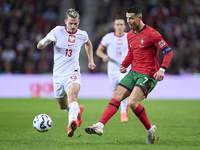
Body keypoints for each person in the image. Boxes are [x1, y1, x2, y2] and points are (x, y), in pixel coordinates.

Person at [85, 6, 173, 144]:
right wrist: (124, 65)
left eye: (131, 18)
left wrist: (162, 69)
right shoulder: (130, 35)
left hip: (148, 74)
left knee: (132, 102)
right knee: (116, 96)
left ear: (139, 18)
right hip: (133, 72)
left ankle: (150, 130)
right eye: (127, 18)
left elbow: (168, 52)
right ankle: (99, 125)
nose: (128, 21)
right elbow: (131, 53)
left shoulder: (152, 34)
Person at [37, 8, 96, 137]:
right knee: (63, 106)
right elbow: (39, 46)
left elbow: (89, 44)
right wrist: (47, 40)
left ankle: (71, 125)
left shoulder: (82, 34)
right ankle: (76, 111)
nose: (73, 26)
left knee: (73, 97)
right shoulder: (57, 31)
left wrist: (91, 60)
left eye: (75, 23)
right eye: (71, 23)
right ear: (65, 22)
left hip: (73, 73)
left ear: (79, 22)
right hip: (58, 75)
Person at [96, 17, 131, 122]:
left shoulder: (129, 36)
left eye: (121, 25)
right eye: (118, 25)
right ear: (114, 26)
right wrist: (103, 56)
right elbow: (98, 51)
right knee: (116, 90)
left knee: (122, 88)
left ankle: (123, 112)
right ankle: (125, 106)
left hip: (125, 67)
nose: (120, 27)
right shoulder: (108, 37)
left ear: (125, 26)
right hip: (112, 69)